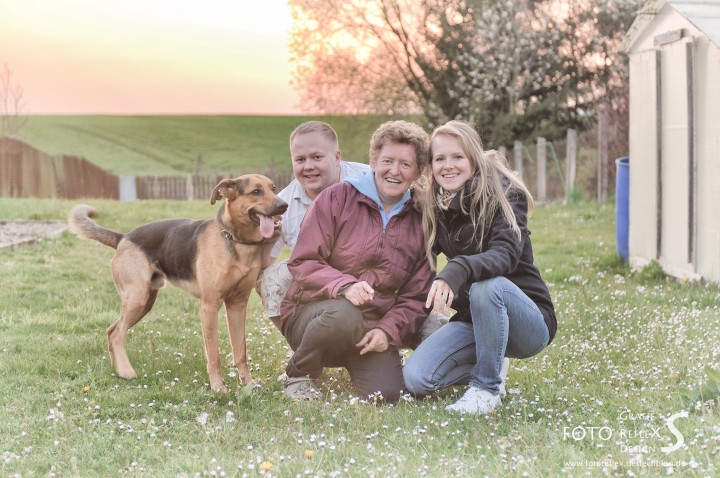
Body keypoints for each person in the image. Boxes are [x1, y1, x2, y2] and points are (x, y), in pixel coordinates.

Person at [403, 120, 557, 415]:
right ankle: (491, 360)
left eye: (457, 157)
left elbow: (506, 255)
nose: (448, 165)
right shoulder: (436, 204)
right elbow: (416, 261)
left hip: (527, 320)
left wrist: (457, 269)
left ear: (473, 157)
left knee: (489, 286)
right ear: (431, 165)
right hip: (473, 318)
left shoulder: (505, 194)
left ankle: (487, 388)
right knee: (417, 379)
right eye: (440, 159)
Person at [278, 120, 434, 403]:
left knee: (385, 396)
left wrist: (387, 332)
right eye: (387, 161)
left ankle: (362, 359)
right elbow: (302, 262)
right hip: (315, 316)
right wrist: (343, 285)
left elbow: (417, 295)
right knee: (343, 313)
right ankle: (298, 373)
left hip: (370, 327)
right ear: (373, 161)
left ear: (418, 171)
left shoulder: (423, 220)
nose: (394, 171)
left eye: (405, 164)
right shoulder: (336, 197)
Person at [256, 121, 369, 329]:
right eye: (300, 159)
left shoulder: (369, 180)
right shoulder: (283, 205)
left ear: (337, 157)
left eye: (317, 157)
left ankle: (381, 341)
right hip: (317, 282)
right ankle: (305, 347)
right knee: (270, 279)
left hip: (370, 275)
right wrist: (266, 238)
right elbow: (264, 268)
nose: (308, 166)